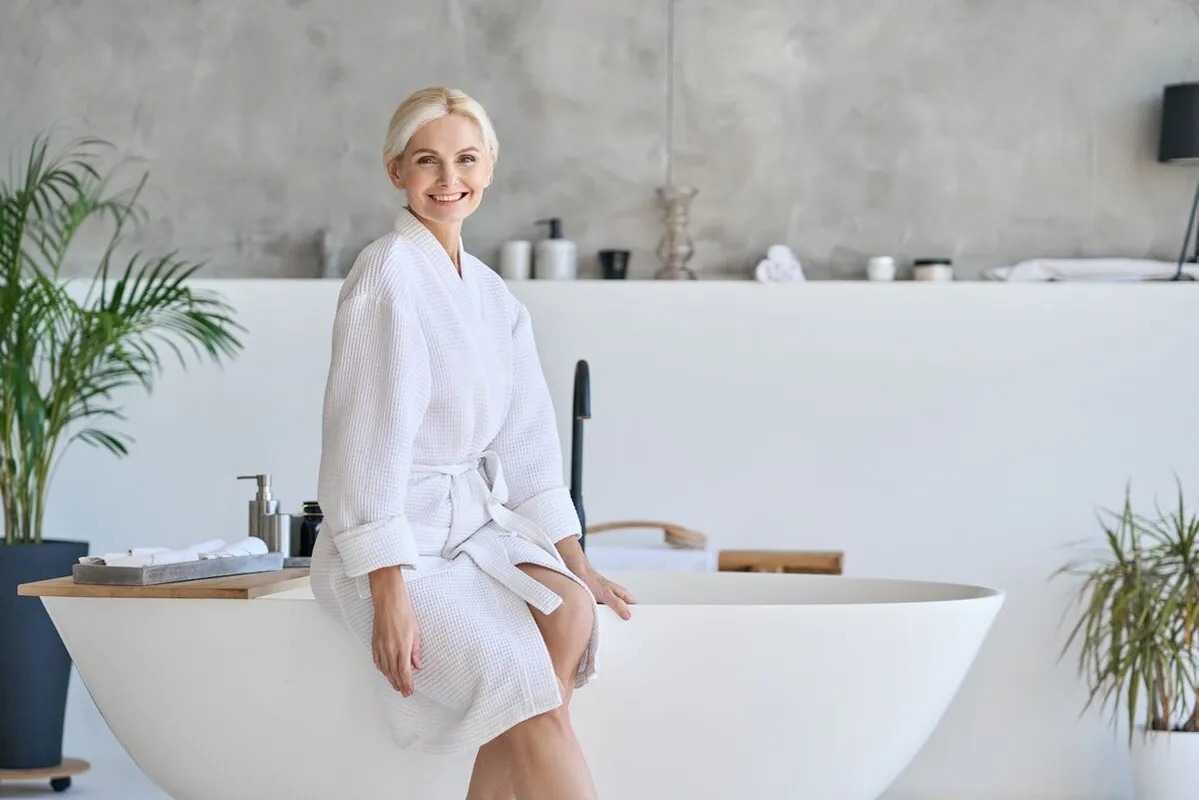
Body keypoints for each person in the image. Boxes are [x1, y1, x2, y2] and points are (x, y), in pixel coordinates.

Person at [309, 85, 635, 800]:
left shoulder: (491, 296)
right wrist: (387, 589)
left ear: (489, 166)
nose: (448, 180)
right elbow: (363, 446)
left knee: (570, 611)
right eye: (427, 161)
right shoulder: (388, 274)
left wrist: (577, 561)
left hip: (467, 534)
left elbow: (528, 445)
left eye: (465, 159)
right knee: (531, 701)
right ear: (396, 171)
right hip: (398, 548)